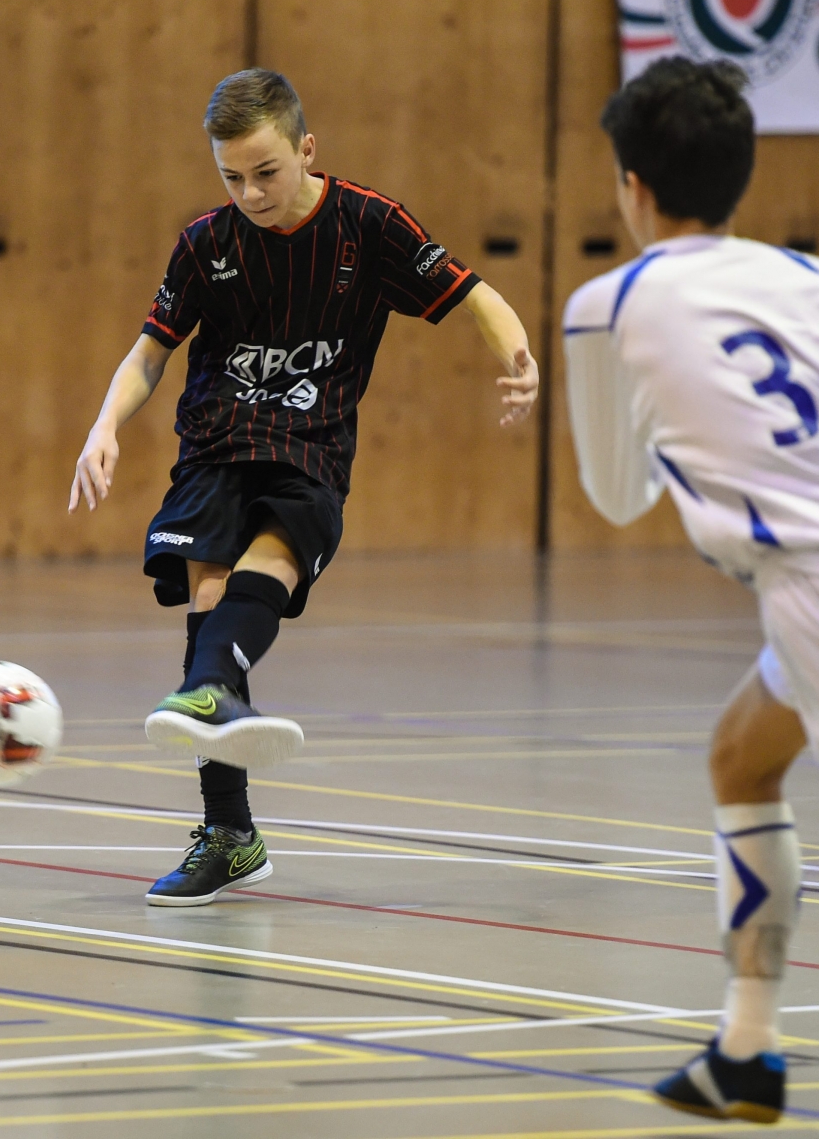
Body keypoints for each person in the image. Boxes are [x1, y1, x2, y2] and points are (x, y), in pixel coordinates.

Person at [69, 68, 538, 907]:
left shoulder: (369, 225)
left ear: (306, 149)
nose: (249, 193)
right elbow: (151, 351)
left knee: (265, 576)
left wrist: (517, 360)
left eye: (266, 172)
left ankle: (215, 725)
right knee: (210, 598)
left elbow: (473, 294)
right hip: (215, 443)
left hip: (311, 448)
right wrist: (104, 426)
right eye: (230, 177)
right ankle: (229, 833)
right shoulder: (205, 243)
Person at [562, 56, 819, 1124]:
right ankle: (748, 1053)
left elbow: (618, 497)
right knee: (741, 754)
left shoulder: (606, 304)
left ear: (631, 186)